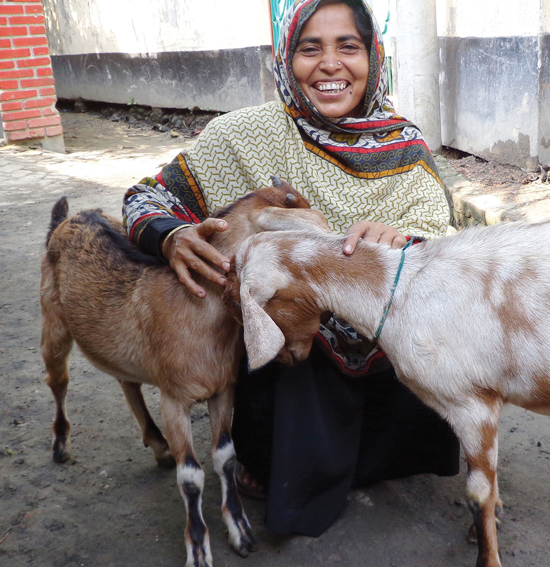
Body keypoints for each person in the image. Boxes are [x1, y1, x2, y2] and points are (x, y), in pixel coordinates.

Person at [121, 0, 460, 537]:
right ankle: (281, 456)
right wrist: (172, 237)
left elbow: (443, 241)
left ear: (372, 56)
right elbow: (145, 199)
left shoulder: (407, 148)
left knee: (435, 365)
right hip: (291, 359)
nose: (330, 64)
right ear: (286, 58)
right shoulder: (242, 137)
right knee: (285, 368)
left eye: (348, 46)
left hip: (382, 356)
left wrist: (407, 243)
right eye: (310, 48)